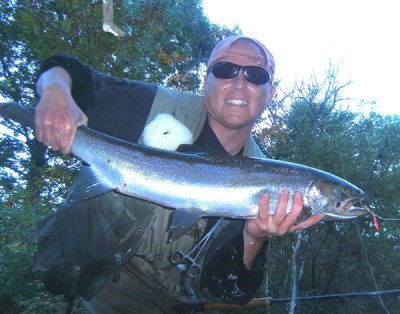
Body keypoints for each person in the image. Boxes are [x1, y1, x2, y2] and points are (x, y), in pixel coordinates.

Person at [33, 35, 323, 313]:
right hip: (101, 273)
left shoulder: (269, 178)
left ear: (270, 93)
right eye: (225, 70)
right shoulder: (152, 106)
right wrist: (55, 92)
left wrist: (255, 235)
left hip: (169, 299)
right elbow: (68, 70)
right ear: (205, 81)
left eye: (255, 76)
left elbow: (230, 291)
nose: (238, 84)